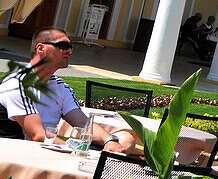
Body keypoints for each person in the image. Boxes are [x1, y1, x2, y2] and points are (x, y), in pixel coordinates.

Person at [0, 27, 137, 153]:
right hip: (26, 152)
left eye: (70, 47)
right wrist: (78, 149)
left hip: (54, 148)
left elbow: (84, 124)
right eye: (63, 46)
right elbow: (38, 135)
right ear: (41, 48)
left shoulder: (60, 87)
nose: (69, 51)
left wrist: (109, 141)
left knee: (126, 139)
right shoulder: (18, 84)